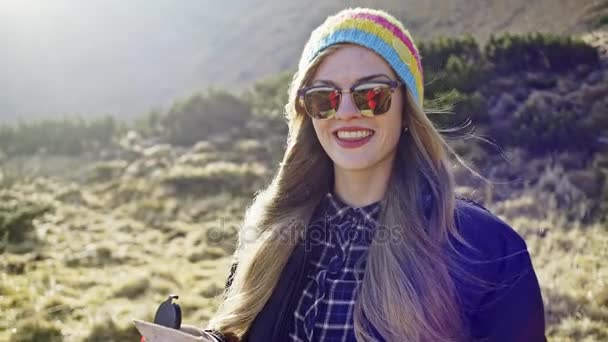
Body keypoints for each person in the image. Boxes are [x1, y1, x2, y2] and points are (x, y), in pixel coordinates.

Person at [195, 7, 546, 342]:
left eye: (372, 95)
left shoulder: (485, 248)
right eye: (323, 98)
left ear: (407, 107)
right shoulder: (268, 236)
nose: (346, 112)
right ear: (307, 114)